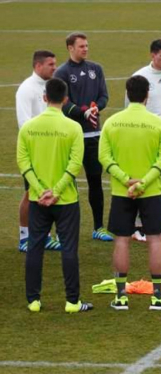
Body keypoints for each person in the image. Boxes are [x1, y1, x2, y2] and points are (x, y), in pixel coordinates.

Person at [18, 77, 92, 313]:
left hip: (37, 201)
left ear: (44, 98)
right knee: (69, 249)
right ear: (66, 99)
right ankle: (72, 302)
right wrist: (57, 191)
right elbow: (75, 163)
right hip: (66, 199)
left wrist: (40, 191)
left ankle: (33, 301)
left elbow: (23, 162)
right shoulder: (74, 127)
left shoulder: (29, 127)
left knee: (34, 247)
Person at [99, 75, 161, 311]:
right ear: (147, 95)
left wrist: (125, 180)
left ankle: (121, 297)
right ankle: (158, 297)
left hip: (122, 192)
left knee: (121, 240)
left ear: (127, 93)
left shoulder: (112, 122)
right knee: (155, 240)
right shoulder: (158, 123)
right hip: (150, 192)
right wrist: (144, 183)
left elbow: (104, 157)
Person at [54, 32, 112, 242]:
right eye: (81, 46)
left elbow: (104, 95)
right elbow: (63, 102)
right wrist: (81, 112)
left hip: (94, 136)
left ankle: (98, 227)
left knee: (95, 180)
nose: (85, 49)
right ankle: (61, 232)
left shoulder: (96, 69)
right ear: (70, 48)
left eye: (86, 46)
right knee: (65, 182)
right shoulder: (62, 72)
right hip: (70, 135)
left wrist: (97, 108)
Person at [129, 39, 161, 241]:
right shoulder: (140, 76)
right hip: (145, 137)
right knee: (143, 182)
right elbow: (131, 107)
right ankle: (139, 225)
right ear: (152, 55)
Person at [15, 50, 60, 252]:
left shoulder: (49, 86)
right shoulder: (26, 89)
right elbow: (24, 124)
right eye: (50, 64)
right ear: (38, 66)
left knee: (48, 191)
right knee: (30, 193)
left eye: (55, 64)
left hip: (51, 150)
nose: (54, 67)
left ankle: (45, 236)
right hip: (34, 151)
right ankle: (24, 238)